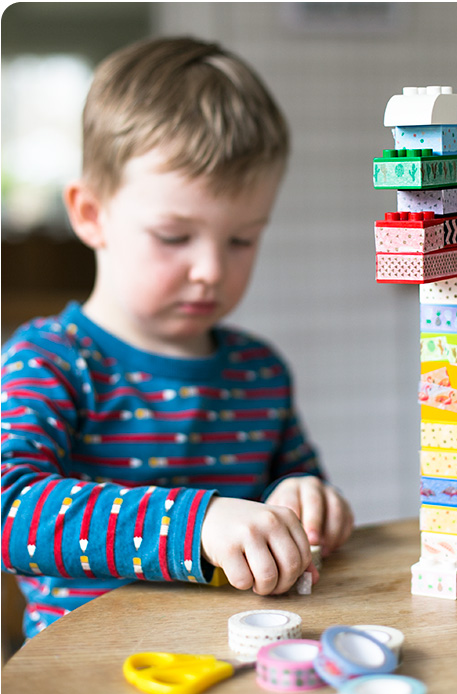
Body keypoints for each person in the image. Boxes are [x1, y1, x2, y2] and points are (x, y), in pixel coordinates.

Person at [1, 37, 354, 639]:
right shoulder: (50, 361)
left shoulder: (259, 372)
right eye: (173, 235)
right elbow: (12, 513)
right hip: (89, 673)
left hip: (242, 661)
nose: (212, 269)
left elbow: (294, 495)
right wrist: (198, 525)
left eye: (242, 240)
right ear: (91, 215)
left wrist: (308, 502)